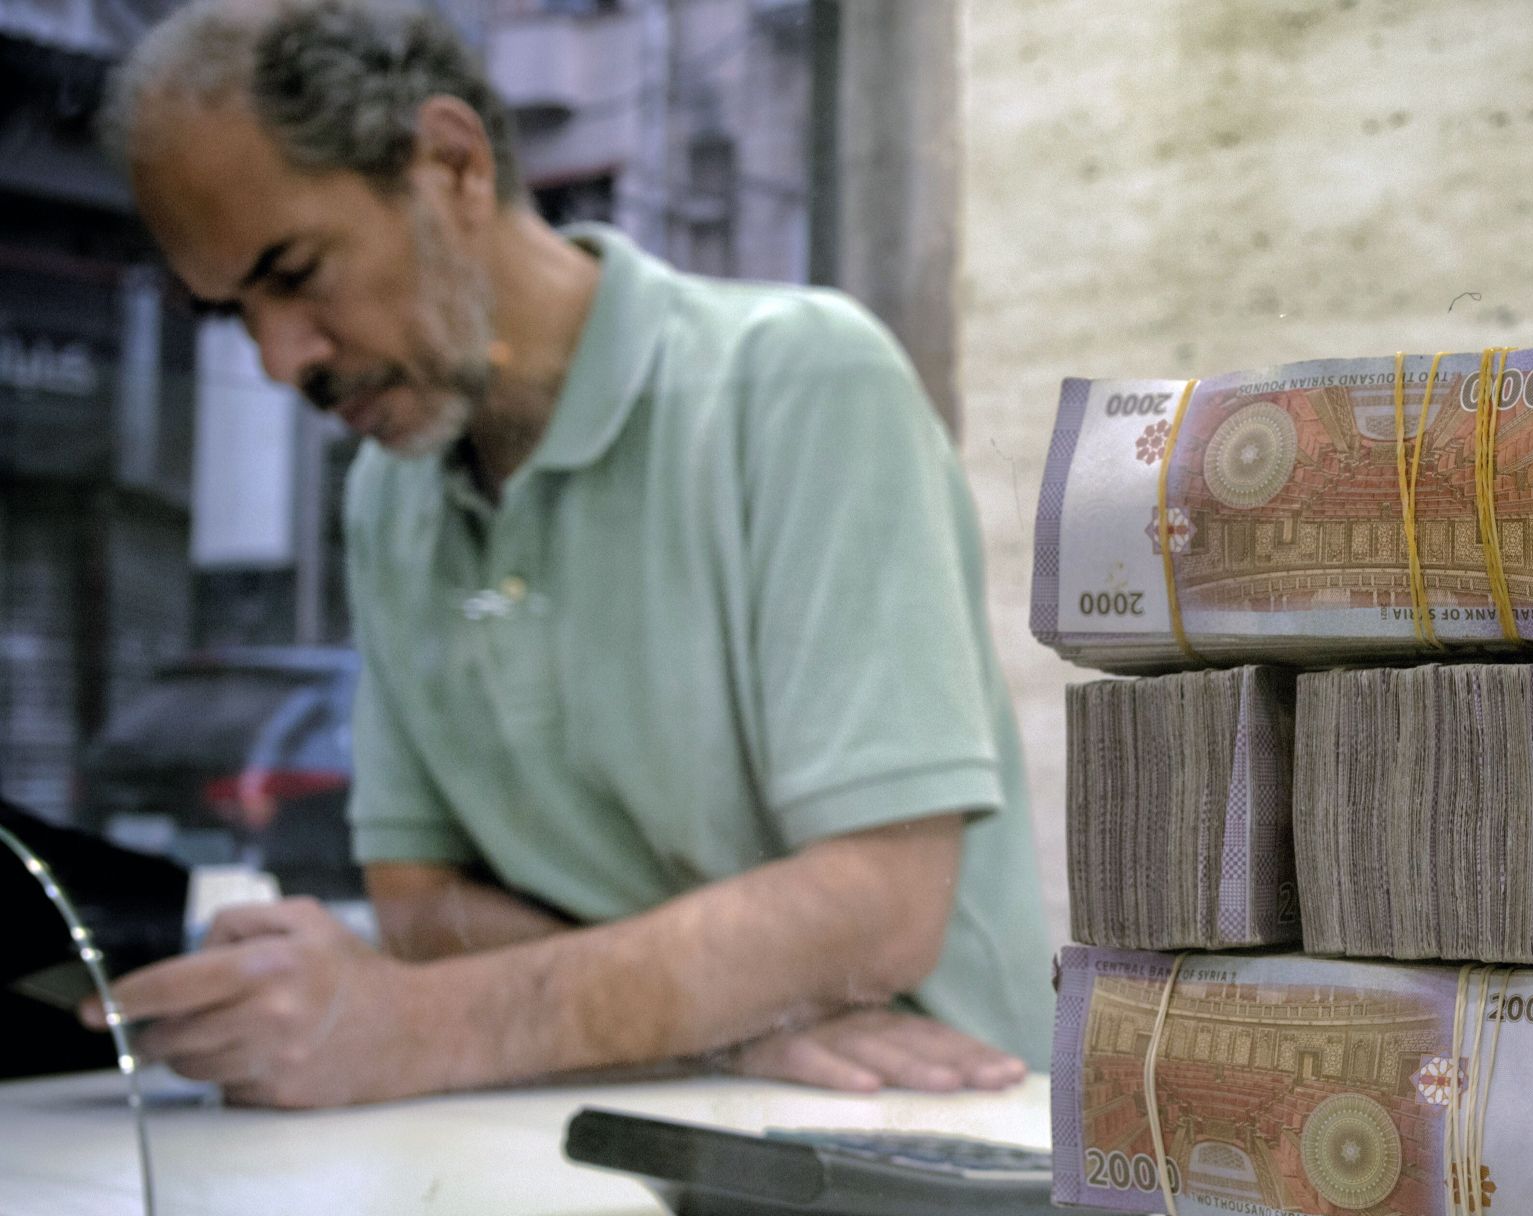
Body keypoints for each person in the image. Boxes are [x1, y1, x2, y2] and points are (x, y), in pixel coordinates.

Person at [82, 0, 1051, 1107]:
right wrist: (720, 1017)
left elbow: (876, 903)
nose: (278, 360)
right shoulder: (391, 496)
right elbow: (417, 900)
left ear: (451, 162)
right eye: (233, 314)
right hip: (609, 1136)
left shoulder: (799, 382)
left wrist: (425, 1025)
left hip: (930, 1147)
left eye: (296, 273)